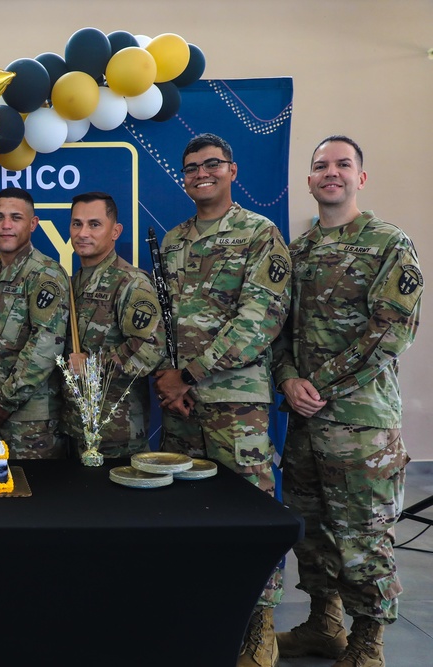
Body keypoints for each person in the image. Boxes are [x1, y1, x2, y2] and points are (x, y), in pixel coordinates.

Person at [272, 136, 422, 667]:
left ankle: (368, 642)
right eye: (319, 166)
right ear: (309, 180)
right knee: (309, 532)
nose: (329, 173)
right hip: (306, 424)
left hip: (361, 427)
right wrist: (290, 380)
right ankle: (324, 622)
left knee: (364, 537)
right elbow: (279, 333)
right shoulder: (297, 251)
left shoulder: (388, 243)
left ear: (360, 178)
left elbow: (391, 331)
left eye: (342, 165)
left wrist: (320, 386)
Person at [152, 133, 291, 667]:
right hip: (183, 404)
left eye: (212, 165)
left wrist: (189, 373)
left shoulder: (260, 234)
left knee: (251, 512)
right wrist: (170, 381)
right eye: (191, 168)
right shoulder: (172, 241)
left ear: (232, 171)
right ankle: (204, 615)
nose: (201, 173)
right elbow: (164, 324)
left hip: (237, 402)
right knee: (188, 508)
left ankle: (261, 624)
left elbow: (260, 320)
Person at [62, 192, 165, 458]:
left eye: (94, 224)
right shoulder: (73, 284)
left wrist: (93, 366)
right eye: (77, 224)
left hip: (117, 434)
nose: (83, 233)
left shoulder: (130, 282)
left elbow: (150, 347)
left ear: (115, 231)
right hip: (77, 428)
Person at [0, 188, 69, 458]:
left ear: (32, 224)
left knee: (33, 496)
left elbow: (46, 345)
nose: (6, 225)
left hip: (33, 420)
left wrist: (5, 400)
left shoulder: (45, 274)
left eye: (15, 218)